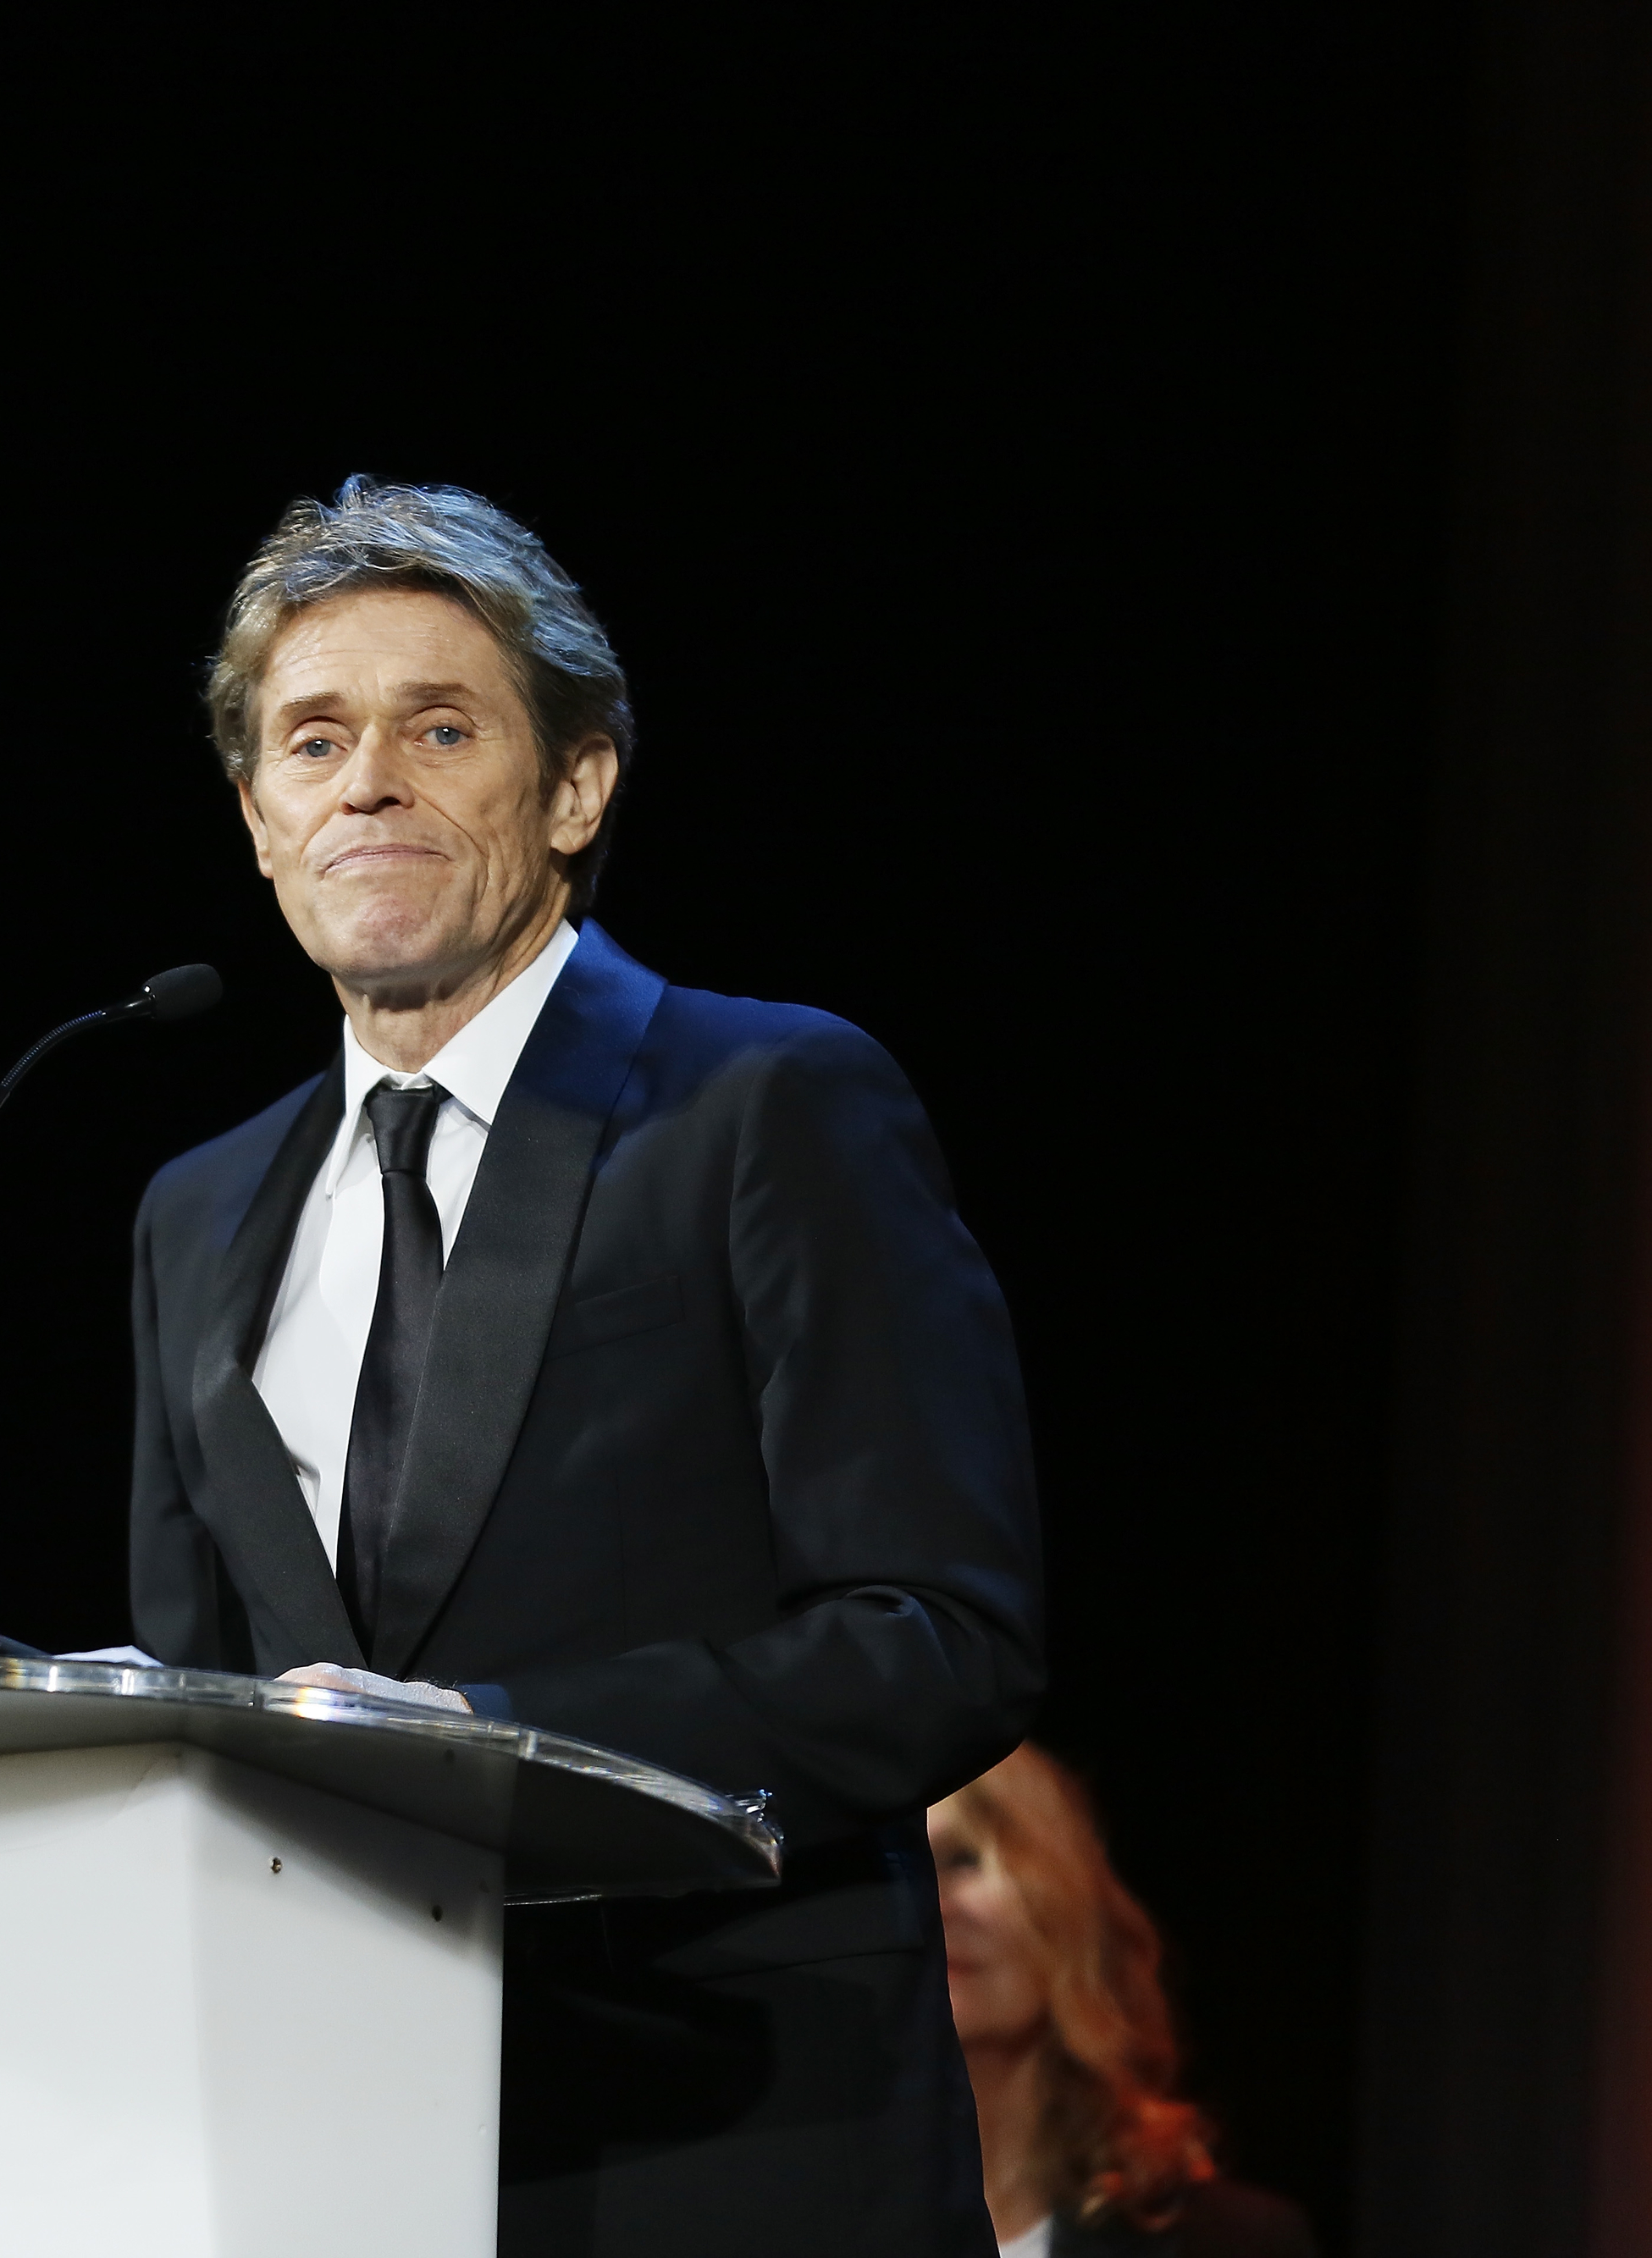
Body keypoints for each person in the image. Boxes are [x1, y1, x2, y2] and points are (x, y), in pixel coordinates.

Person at [127, 477, 1047, 2255]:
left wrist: (481, 1757)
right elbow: (200, 1689)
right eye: (311, 741)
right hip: (337, 2138)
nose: (366, 782)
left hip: (722, 2122)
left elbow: (939, 1635)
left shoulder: (762, 1102)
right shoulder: (195, 1207)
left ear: (572, 786)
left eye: (438, 726)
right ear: (256, 817)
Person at [931, 1746, 1318, 2258]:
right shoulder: (796, 2225)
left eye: (964, 1859)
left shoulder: (1234, 2243)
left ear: (1070, 1905)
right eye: (894, 1878)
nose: (929, 1909)